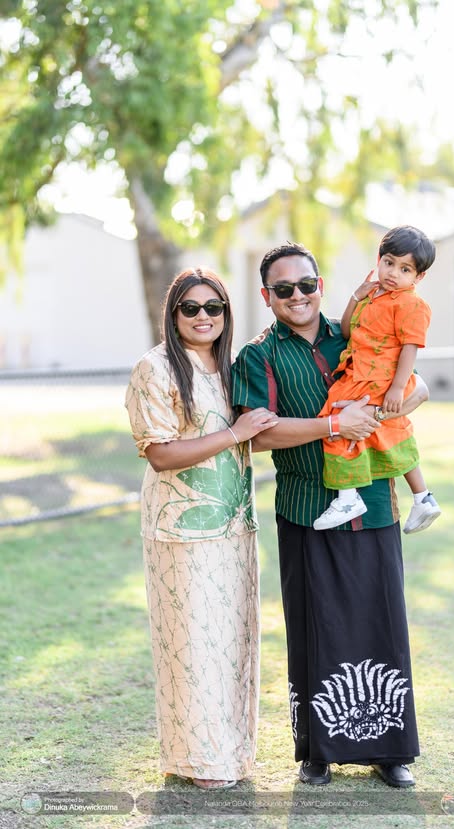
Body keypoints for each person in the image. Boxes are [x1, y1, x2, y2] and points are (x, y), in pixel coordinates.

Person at [232, 242, 427, 789]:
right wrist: (335, 426)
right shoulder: (258, 356)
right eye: (285, 289)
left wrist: (393, 406)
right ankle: (317, 751)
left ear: (321, 286)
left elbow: (419, 384)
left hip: (374, 506)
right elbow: (261, 432)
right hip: (305, 506)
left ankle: (391, 752)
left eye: (307, 285)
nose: (299, 297)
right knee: (315, 625)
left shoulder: (359, 330)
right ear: (267, 296)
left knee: (382, 620)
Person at [125, 268, 277, 791]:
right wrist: (236, 431)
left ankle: (227, 755)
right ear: (173, 314)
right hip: (181, 532)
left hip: (234, 526)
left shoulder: (229, 368)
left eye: (215, 307)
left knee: (232, 644)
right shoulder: (157, 367)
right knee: (190, 647)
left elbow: (252, 437)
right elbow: (162, 454)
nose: (204, 316)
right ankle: (197, 760)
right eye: (191, 308)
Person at [313, 225, 441, 533]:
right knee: (391, 432)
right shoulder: (373, 296)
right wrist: (357, 296)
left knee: (338, 423)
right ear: (378, 260)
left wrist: (397, 387)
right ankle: (423, 498)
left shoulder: (410, 304)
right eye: (389, 262)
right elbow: (346, 331)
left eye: (405, 268)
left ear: (418, 277)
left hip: (380, 379)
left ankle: (348, 496)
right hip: (361, 373)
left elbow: (411, 346)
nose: (393, 272)